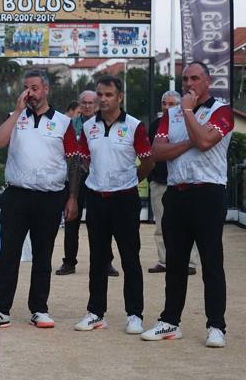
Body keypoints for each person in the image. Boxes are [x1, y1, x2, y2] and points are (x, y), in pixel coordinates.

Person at [0, 70, 81, 329]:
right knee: (8, 253)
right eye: (26, 88)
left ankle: (39, 309)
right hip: (17, 195)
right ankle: (1, 309)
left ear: (46, 89)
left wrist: (73, 198)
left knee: (43, 255)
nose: (30, 93)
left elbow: (74, 161)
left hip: (50, 196)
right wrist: (16, 111)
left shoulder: (63, 123)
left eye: (34, 88)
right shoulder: (16, 117)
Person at [141, 61, 234, 348]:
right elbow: (157, 151)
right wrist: (190, 135)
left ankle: (216, 325)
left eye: (195, 78)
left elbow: (207, 142)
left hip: (208, 193)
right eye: (185, 79)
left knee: (211, 262)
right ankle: (170, 321)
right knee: (176, 262)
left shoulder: (223, 111)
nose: (189, 84)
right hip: (177, 193)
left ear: (207, 81)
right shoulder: (171, 114)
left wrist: (189, 113)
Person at [74, 75, 154, 334]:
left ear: (120, 97)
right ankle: (96, 312)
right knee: (97, 258)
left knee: (130, 257)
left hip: (125, 199)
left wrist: (129, 181)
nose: (103, 99)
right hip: (96, 199)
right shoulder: (88, 127)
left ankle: (134, 314)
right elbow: (84, 160)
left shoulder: (134, 126)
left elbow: (148, 161)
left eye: (108, 94)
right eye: (100, 94)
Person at [56, 91, 119, 277]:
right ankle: (69, 262)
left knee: (100, 223)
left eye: (91, 103)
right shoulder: (69, 125)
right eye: (84, 103)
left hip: (97, 179)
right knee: (71, 221)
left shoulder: (104, 124)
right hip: (73, 178)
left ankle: (106, 262)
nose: (87, 106)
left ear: (97, 104)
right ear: (79, 104)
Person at [147, 90, 199, 275]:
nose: (167, 107)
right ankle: (164, 260)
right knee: (161, 225)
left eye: (171, 104)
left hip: (181, 182)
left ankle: (190, 263)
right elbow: (150, 153)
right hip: (159, 181)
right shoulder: (154, 125)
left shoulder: (187, 124)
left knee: (188, 225)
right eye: (164, 103)